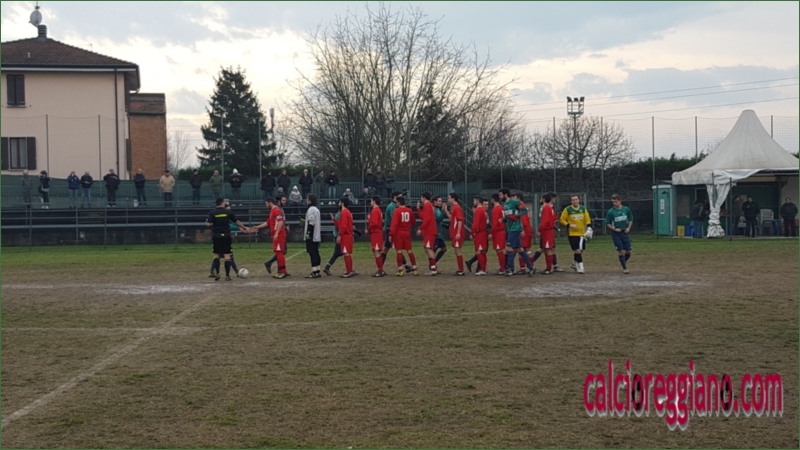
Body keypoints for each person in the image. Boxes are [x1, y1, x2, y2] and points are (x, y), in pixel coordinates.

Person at [205, 198, 247, 281]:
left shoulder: (212, 212)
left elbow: (208, 224)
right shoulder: (228, 212)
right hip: (226, 235)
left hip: (217, 235)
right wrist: (244, 227)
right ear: (222, 203)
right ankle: (227, 275)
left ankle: (217, 274)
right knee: (227, 256)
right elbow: (237, 222)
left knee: (216, 255)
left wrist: (209, 221)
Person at [251, 197, 290, 279]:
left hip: (279, 235)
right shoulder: (273, 211)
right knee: (279, 253)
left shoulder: (276, 210)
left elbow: (281, 221)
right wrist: (258, 227)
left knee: (279, 253)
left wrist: (277, 233)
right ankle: (283, 271)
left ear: (270, 202)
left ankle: (282, 272)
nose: (266, 206)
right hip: (277, 235)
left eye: (266, 204)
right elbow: (268, 222)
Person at [499, 188, 534, 276]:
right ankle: (531, 267)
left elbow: (525, 210)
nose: (500, 197)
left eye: (501, 195)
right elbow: (508, 216)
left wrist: (517, 215)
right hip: (510, 228)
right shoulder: (505, 204)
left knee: (509, 248)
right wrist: (504, 219)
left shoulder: (514, 202)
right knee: (520, 249)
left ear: (506, 194)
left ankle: (511, 269)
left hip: (515, 228)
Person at [560, 194, 592, 274]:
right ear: (571, 201)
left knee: (581, 250)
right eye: (573, 200)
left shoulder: (583, 209)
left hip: (582, 234)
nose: (575, 201)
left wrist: (589, 227)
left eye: (576, 199)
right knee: (577, 250)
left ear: (579, 200)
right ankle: (581, 267)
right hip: (572, 234)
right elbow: (562, 220)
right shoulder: (567, 209)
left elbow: (587, 219)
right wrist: (569, 225)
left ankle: (574, 263)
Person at [379, 191, 410, 271]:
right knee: (389, 248)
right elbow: (394, 219)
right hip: (391, 230)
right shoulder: (392, 207)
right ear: (395, 197)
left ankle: (406, 265)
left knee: (392, 248)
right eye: (400, 196)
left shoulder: (394, 206)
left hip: (392, 230)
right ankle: (380, 268)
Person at [605, 194, 633, 274]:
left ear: (620, 201)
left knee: (628, 251)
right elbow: (607, 223)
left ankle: (623, 261)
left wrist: (628, 228)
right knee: (621, 251)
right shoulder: (611, 212)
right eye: (613, 202)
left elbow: (630, 219)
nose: (614, 203)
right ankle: (625, 268)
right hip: (616, 234)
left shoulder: (626, 209)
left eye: (616, 202)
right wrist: (614, 229)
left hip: (625, 233)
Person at [390, 196, 418, 276]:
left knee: (399, 251)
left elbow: (394, 224)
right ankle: (415, 269)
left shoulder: (396, 211)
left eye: (396, 202)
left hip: (398, 233)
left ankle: (400, 270)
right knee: (409, 250)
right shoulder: (409, 210)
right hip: (407, 232)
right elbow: (413, 221)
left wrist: (391, 234)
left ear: (399, 203)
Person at [416, 192, 439, 275]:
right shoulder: (428, 205)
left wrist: (420, 228)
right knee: (428, 248)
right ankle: (433, 268)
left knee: (428, 248)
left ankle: (433, 269)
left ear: (424, 197)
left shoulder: (428, 205)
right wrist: (419, 209)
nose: (421, 199)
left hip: (429, 231)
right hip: (429, 230)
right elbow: (424, 217)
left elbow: (427, 219)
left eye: (421, 197)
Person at [332, 197, 357, 278]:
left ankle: (349, 271)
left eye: (339, 202)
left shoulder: (344, 212)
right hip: (348, 235)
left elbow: (343, 226)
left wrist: (339, 235)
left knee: (346, 253)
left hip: (346, 235)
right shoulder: (347, 212)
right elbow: (342, 224)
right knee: (347, 253)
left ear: (342, 203)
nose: (338, 204)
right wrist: (335, 221)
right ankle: (349, 270)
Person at [466, 196, 488, 275]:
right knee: (483, 251)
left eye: (474, 201)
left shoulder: (478, 210)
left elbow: (475, 223)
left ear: (477, 201)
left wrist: (472, 233)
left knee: (478, 251)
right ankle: (483, 269)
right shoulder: (483, 210)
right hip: (483, 232)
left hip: (479, 233)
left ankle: (482, 269)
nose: (473, 202)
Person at [304, 194, 323, 278]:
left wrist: (308, 235)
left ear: (310, 200)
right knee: (316, 252)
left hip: (312, 235)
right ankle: (317, 270)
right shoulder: (316, 210)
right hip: (316, 235)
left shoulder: (311, 209)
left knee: (312, 253)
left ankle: (315, 272)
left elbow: (311, 223)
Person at [446, 193, 466, 276]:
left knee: (458, 251)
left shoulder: (457, 208)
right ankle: (460, 269)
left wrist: (458, 233)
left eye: (449, 198)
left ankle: (461, 270)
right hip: (454, 232)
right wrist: (446, 211)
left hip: (456, 233)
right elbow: (452, 218)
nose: (448, 199)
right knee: (456, 251)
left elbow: (460, 220)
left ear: (453, 198)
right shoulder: (454, 207)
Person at [367, 196, 386, 277]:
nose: (370, 202)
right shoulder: (378, 210)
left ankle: (380, 270)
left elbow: (374, 223)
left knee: (376, 251)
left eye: (371, 200)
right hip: (378, 232)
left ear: (374, 201)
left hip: (376, 233)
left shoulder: (375, 211)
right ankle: (381, 270)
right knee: (376, 251)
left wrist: (368, 229)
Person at [489, 193, 507, 275]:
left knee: (499, 250)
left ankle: (503, 268)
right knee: (500, 250)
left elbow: (495, 223)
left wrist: (492, 233)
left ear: (493, 199)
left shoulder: (495, 209)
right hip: (502, 230)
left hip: (498, 232)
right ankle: (503, 267)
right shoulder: (502, 208)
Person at [432, 196, 448, 265]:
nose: (441, 202)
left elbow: (438, 221)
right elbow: (438, 219)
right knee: (433, 250)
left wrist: (444, 225)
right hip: (435, 234)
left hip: (439, 234)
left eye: (441, 201)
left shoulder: (438, 209)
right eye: (439, 201)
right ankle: (432, 265)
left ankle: (433, 263)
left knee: (444, 249)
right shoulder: (434, 210)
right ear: (434, 202)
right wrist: (443, 210)